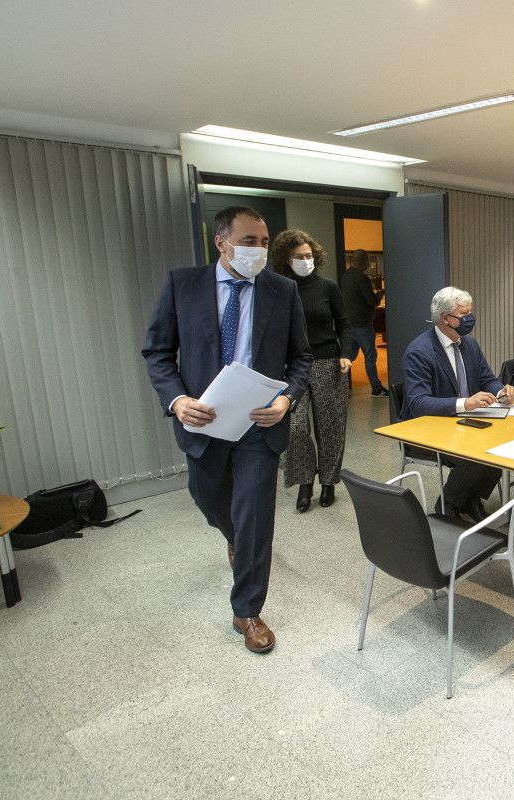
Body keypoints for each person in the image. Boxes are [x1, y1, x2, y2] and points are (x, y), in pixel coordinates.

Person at [142, 206, 313, 654]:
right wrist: (178, 401)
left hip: (260, 424)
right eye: (249, 241)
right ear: (222, 242)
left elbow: (302, 359)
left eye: (263, 240)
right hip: (205, 424)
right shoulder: (184, 286)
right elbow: (158, 354)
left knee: (254, 514)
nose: (259, 249)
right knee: (210, 499)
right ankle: (236, 538)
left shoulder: (282, 291)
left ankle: (247, 610)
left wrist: (286, 399)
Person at [400, 287, 514, 521]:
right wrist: (465, 403)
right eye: (464, 314)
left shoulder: (469, 345)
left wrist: (501, 390)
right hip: (426, 428)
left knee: (502, 443)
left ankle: (470, 497)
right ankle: (447, 504)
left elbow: (487, 378)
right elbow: (418, 403)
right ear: (445, 318)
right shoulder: (419, 351)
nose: (469, 319)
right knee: (475, 453)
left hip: (463, 422)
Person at [269, 229, 351, 512]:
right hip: (292, 368)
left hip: (329, 362)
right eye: (298, 257)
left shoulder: (328, 286)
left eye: (309, 255)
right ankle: (305, 482)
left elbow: (344, 324)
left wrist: (346, 354)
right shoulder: (279, 288)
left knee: (330, 425)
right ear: (285, 259)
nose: (305, 260)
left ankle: (328, 482)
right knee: (295, 427)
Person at [341, 249, 388, 398]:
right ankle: (376, 388)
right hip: (362, 324)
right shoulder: (361, 278)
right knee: (370, 356)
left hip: (349, 324)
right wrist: (381, 293)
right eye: (367, 260)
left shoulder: (346, 276)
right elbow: (372, 301)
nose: (369, 263)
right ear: (361, 261)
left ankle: (339, 387)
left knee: (350, 356)